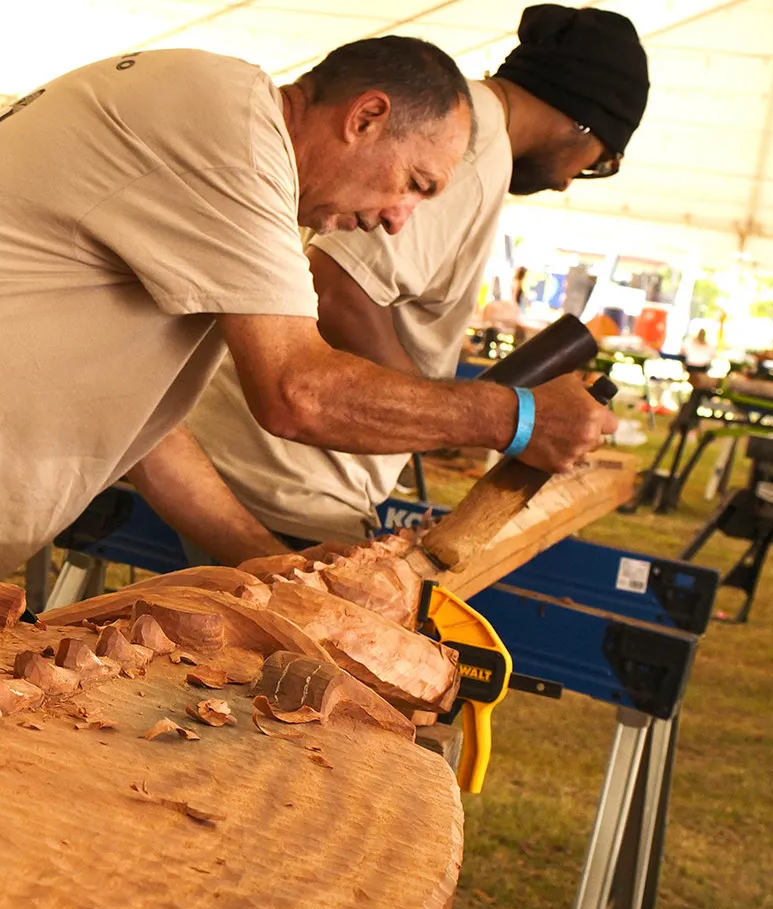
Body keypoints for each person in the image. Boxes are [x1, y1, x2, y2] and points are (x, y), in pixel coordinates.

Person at [0, 36, 616, 582]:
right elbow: (297, 394)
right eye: (413, 183)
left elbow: (147, 431)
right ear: (367, 117)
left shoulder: (230, 144)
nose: (396, 219)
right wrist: (513, 418)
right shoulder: (229, 130)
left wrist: (262, 559)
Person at [180, 5, 649, 550]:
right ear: (580, 121)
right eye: (596, 163)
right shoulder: (471, 152)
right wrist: (447, 411)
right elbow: (336, 291)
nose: (570, 183)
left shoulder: (456, 127)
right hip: (282, 483)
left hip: (253, 463)